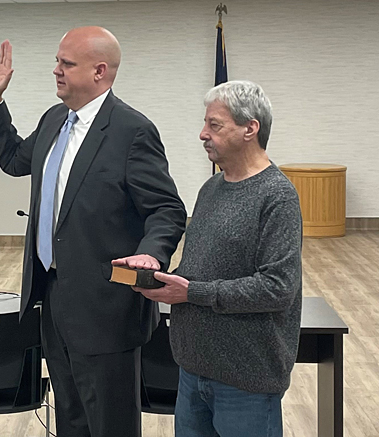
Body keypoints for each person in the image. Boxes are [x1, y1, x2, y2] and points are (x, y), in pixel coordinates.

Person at [0, 27, 186, 436]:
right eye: (57, 61)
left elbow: (166, 208)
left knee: (110, 425)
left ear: (99, 71)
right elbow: (16, 160)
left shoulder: (131, 131)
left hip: (108, 307)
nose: (55, 70)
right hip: (53, 299)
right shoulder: (55, 119)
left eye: (66, 64)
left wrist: (152, 253)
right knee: (70, 420)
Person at [134, 80, 303, 437]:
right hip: (192, 371)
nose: (202, 134)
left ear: (249, 129)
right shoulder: (211, 188)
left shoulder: (278, 196)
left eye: (214, 125)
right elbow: (200, 271)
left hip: (246, 381)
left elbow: (277, 288)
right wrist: (159, 278)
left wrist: (191, 292)